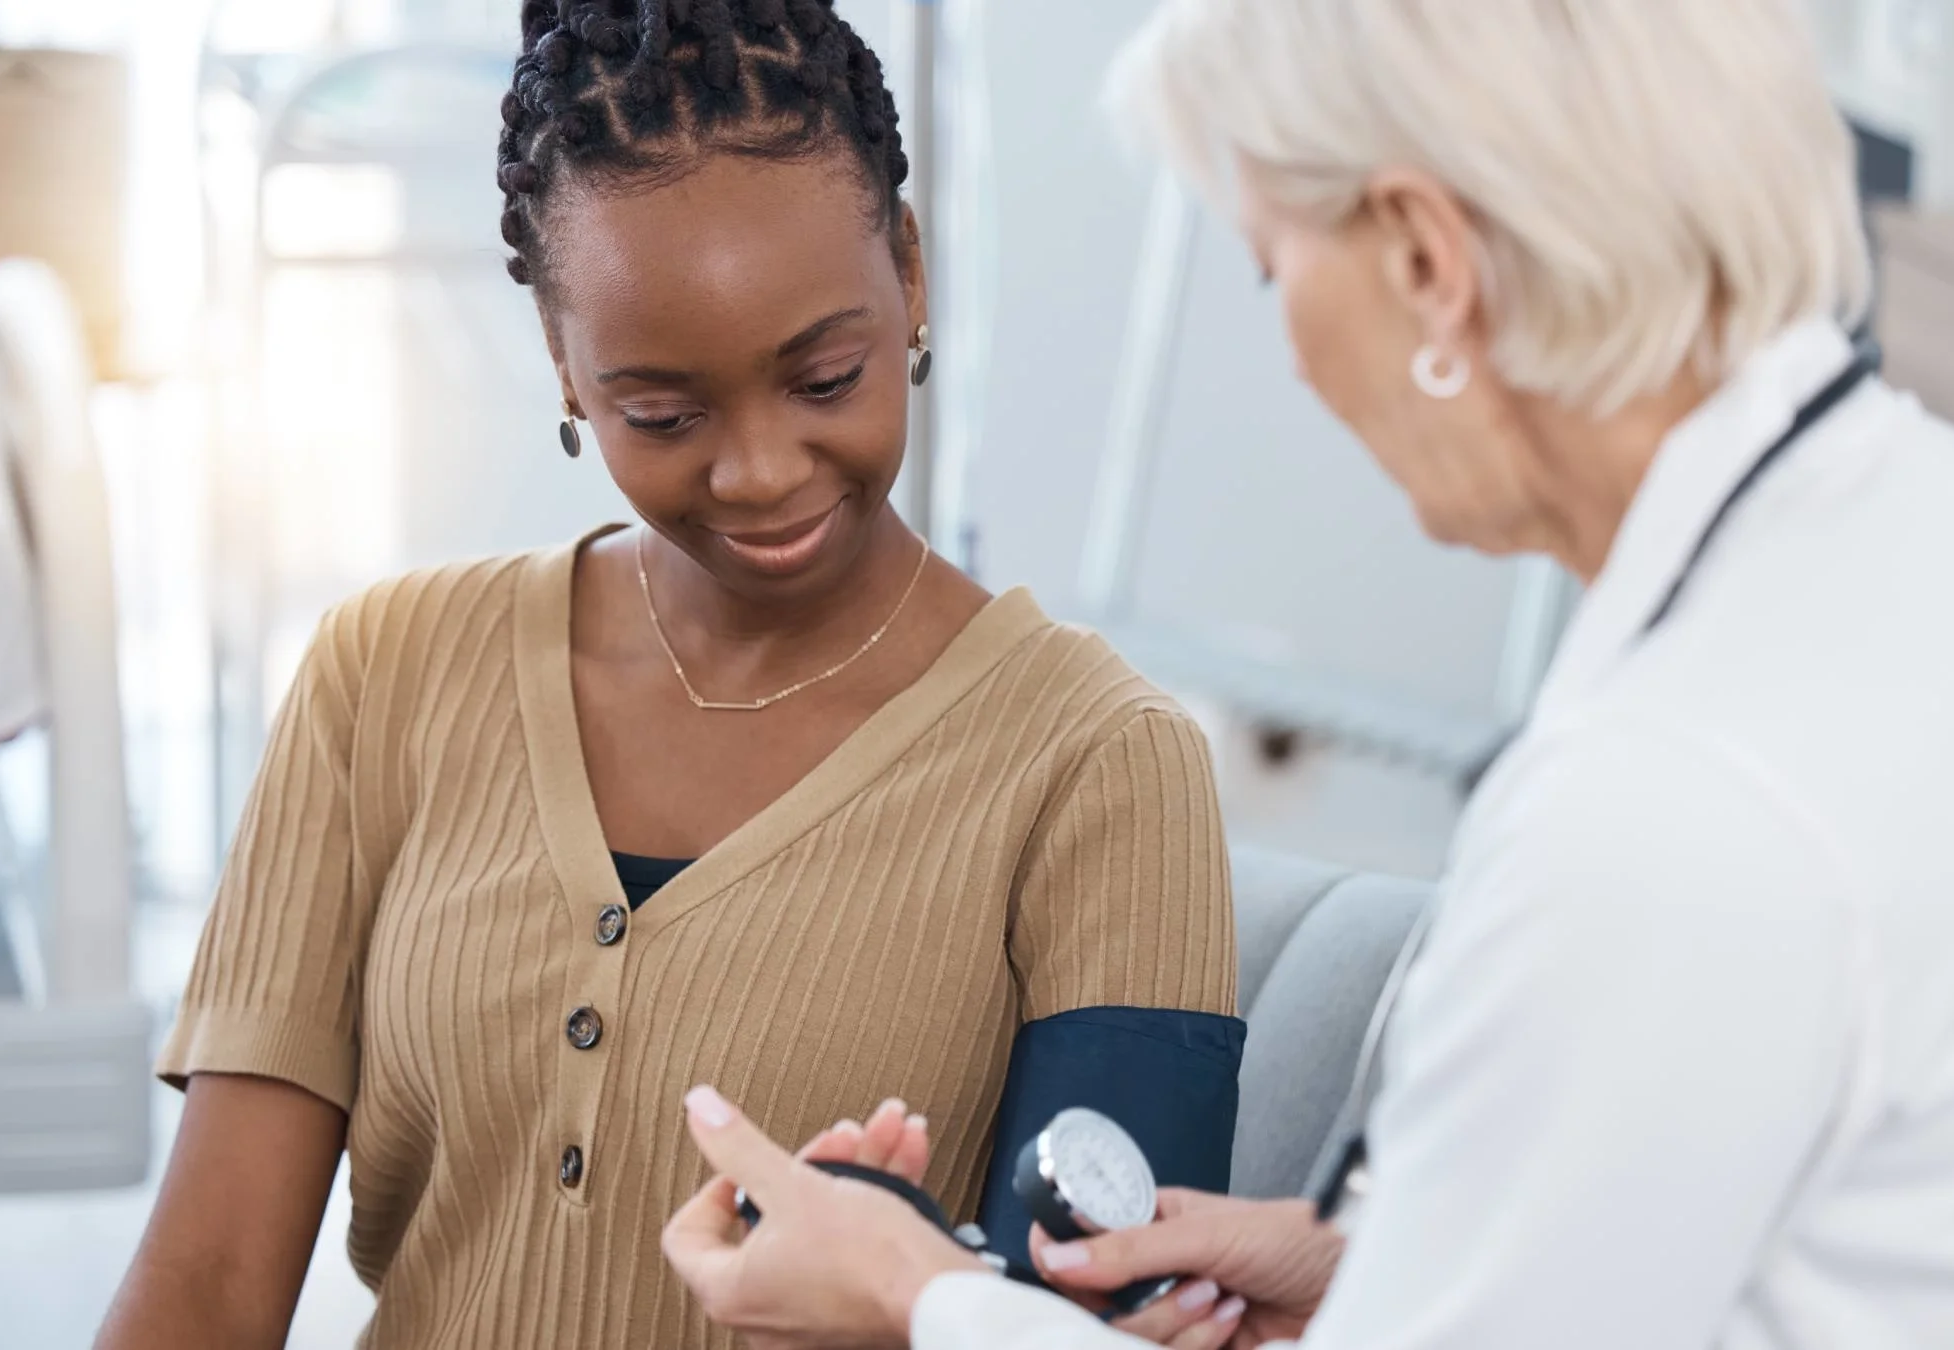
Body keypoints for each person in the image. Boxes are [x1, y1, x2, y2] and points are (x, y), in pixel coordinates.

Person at [656, 0, 1954, 1346]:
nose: (1301, 361)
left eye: (1272, 271)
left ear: (1426, 262)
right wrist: (1388, 1264)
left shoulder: (1669, 810)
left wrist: (915, 1297)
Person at [95, 3, 1244, 1347]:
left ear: (912, 277)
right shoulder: (384, 674)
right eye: (664, 414)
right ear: (563, 362)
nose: (759, 471)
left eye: (825, 378)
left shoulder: (1100, 762)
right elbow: (209, 1284)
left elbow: (1107, 1335)